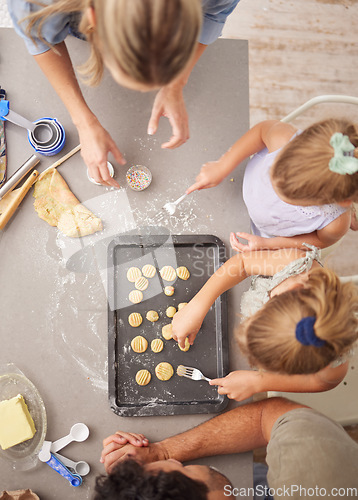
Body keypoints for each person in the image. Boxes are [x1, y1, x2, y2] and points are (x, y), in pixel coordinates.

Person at [7, 0, 240, 187]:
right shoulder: (34, 3)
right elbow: (40, 37)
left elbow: (213, 15)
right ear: (94, 20)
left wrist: (176, 84)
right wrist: (83, 122)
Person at [171, 244, 358, 401]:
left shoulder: (333, 357)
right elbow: (242, 263)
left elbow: (323, 382)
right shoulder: (293, 264)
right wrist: (198, 304)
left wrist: (259, 381)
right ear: (294, 287)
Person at [96, 397, 358, 499]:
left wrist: (162, 452)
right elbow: (268, 416)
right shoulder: (316, 483)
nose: (178, 462)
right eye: (181, 471)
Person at [186, 119, 356, 251]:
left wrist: (268, 243)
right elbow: (262, 131)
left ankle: (352, 214)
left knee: (342, 219)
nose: (274, 187)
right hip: (247, 193)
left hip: (273, 231)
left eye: (291, 198)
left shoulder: (336, 224)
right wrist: (223, 165)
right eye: (275, 172)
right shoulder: (283, 138)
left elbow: (319, 241)